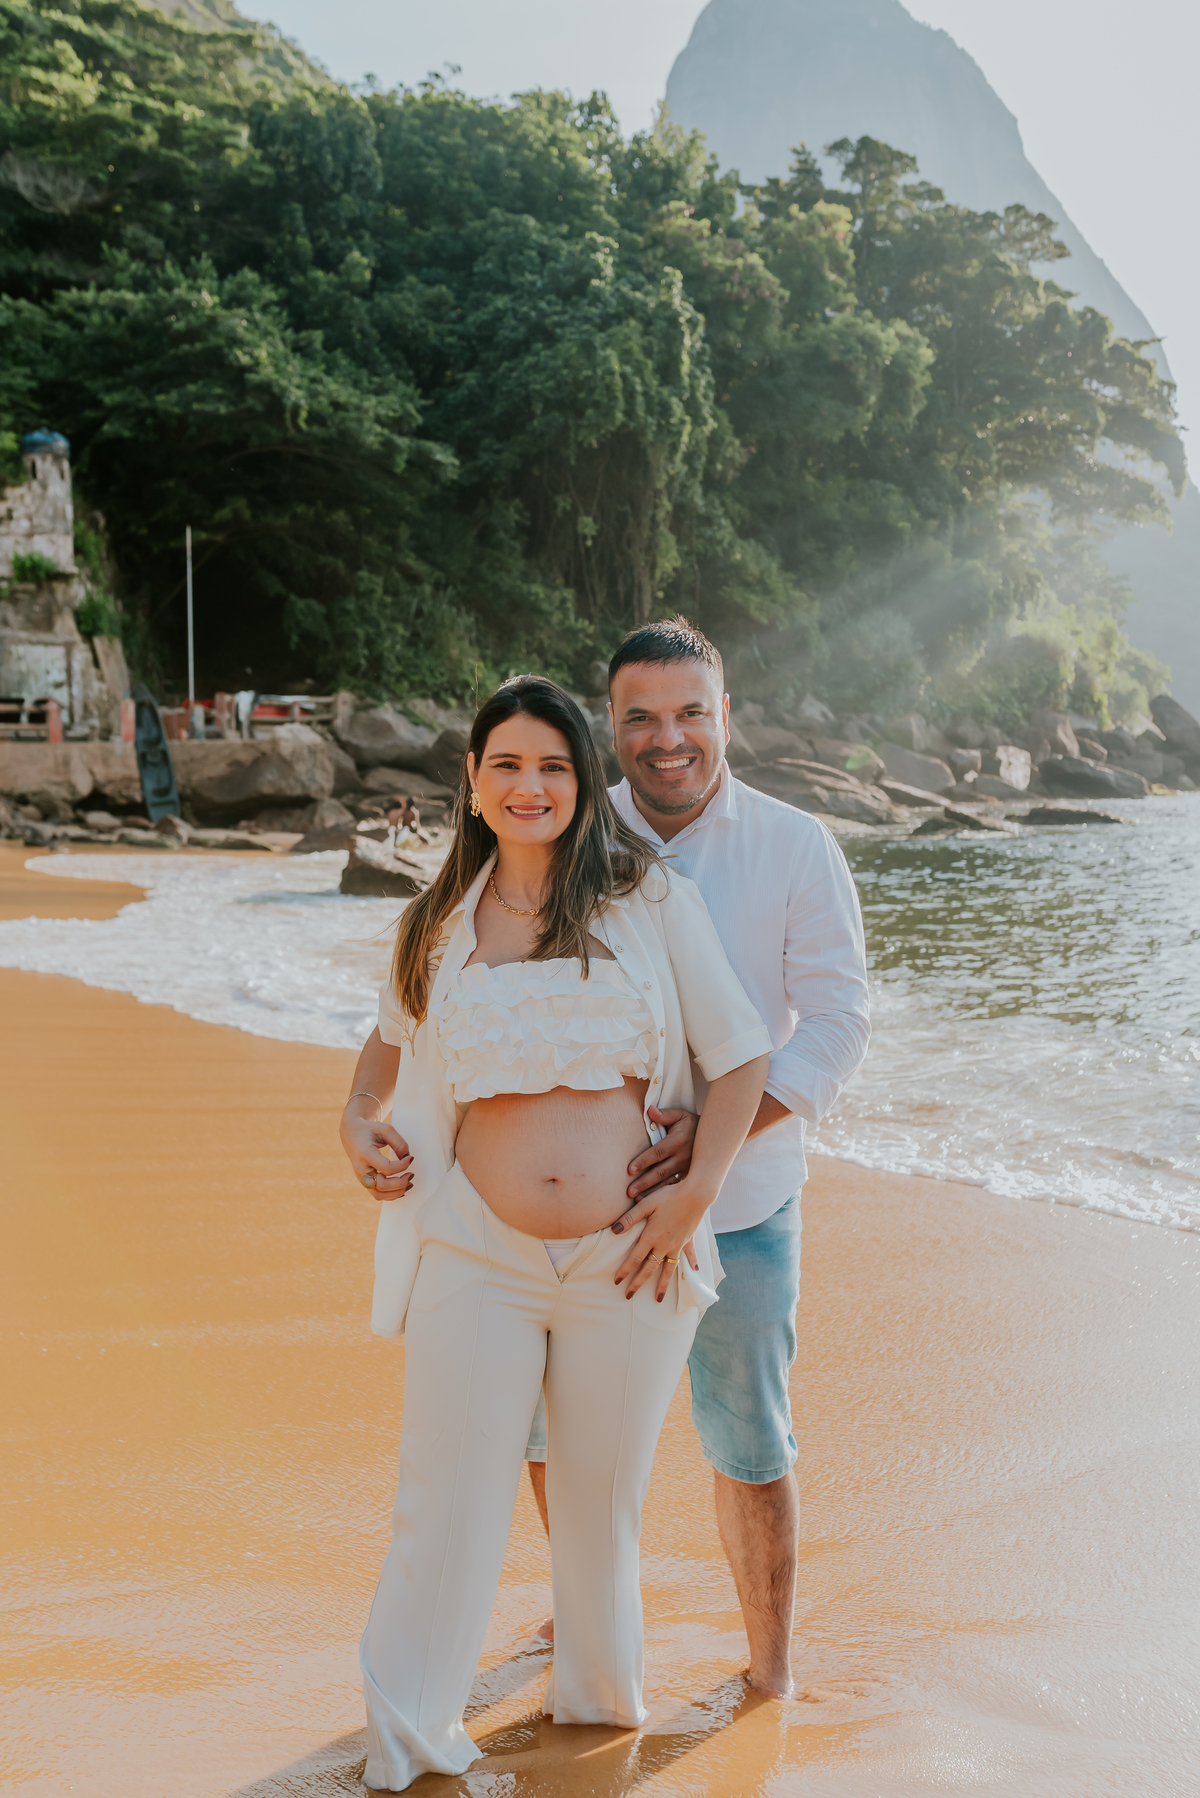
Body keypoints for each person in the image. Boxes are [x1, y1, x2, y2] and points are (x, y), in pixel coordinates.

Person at [338, 675, 772, 1791]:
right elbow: (379, 1064)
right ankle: (409, 1740)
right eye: (507, 767)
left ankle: (593, 1725)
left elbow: (741, 1058)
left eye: (554, 767)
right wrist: (355, 1122)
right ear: (474, 785)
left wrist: (691, 1198)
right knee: (447, 1501)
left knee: (596, 1512)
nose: (530, 787)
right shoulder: (434, 922)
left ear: (583, 784)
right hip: (474, 1253)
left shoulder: (647, 901)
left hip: (626, 1259)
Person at [525, 618, 870, 1698]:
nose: (666, 738)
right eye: (641, 717)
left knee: (750, 1439)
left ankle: (770, 1667)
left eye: (689, 714)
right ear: (609, 727)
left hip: (747, 1206)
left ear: (727, 716)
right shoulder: (573, 836)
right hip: (587, 1200)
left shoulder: (794, 844)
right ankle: (585, 1600)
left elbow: (837, 1022)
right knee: (549, 1424)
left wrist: (716, 1137)